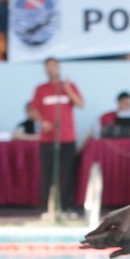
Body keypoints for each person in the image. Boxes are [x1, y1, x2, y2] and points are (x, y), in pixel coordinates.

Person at [29, 57, 85, 219]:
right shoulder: (40, 89)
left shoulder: (69, 86)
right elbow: (34, 110)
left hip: (67, 138)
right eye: (47, 67)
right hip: (48, 139)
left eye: (53, 66)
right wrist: (42, 121)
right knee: (47, 174)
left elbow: (81, 104)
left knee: (67, 174)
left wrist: (68, 89)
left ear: (59, 67)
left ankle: (67, 208)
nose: (51, 69)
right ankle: (46, 209)